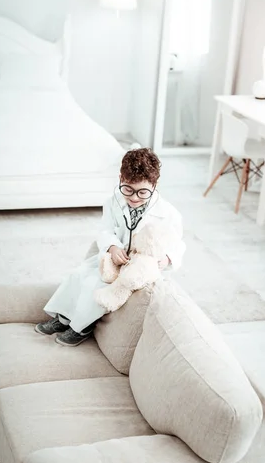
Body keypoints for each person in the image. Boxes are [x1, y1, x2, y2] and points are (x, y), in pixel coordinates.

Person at [35, 147, 185, 346]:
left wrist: (166, 259)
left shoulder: (168, 213)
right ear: (120, 178)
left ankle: (80, 327)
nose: (133, 198)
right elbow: (105, 230)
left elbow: (178, 244)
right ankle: (62, 318)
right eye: (127, 189)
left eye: (142, 192)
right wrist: (112, 247)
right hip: (115, 259)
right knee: (80, 274)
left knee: (96, 285)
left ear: (154, 185)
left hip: (140, 268)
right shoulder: (112, 203)